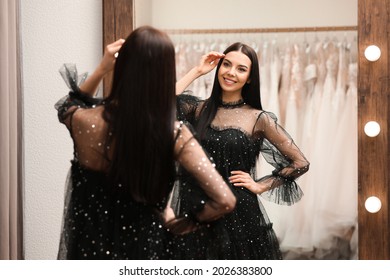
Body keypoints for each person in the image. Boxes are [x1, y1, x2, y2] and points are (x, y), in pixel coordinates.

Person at [55, 26, 236, 260]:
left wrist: (103, 67)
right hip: (146, 252)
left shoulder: (82, 121)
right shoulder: (173, 134)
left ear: (121, 68)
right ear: (165, 74)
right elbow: (225, 201)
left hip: (90, 251)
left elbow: (68, 106)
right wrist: (178, 223)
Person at [174, 42, 310, 259]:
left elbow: (299, 163)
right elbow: (161, 103)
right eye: (226, 64)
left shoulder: (258, 118)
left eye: (241, 69)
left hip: (238, 212)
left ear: (249, 78)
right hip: (198, 206)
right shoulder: (197, 110)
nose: (230, 72)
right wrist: (197, 71)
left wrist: (260, 186)